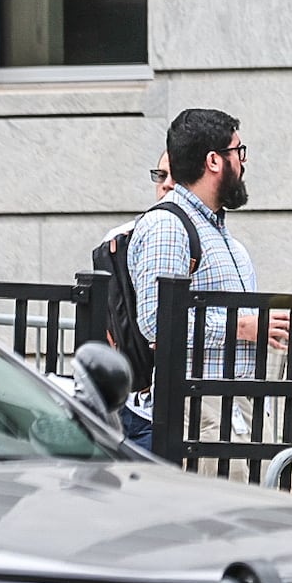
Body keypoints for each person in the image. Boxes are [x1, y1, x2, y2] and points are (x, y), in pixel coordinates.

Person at [130, 109, 289, 482]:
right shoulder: (167, 225)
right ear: (215, 160)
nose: (243, 162)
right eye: (239, 151)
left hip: (235, 406)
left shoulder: (217, 232)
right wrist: (241, 326)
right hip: (204, 410)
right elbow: (156, 321)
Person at [116, 150, 176, 449]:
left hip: (169, 410)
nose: (165, 184)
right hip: (128, 402)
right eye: (161, 175)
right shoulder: (122, 237)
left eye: (174, 176)